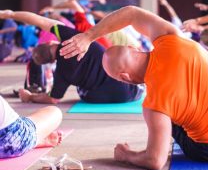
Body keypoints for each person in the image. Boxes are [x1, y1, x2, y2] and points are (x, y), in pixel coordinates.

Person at [59, 5, 208, 170]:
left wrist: (126, 155)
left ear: (124, 77)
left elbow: (155, 161)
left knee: (168, 118)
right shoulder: (172, 38)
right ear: (135, 49)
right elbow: (132, 13)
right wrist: (88, 36)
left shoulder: (153, 105)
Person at [0, 9, 143, 104]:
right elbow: (40, 20)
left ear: (49, 62)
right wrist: (10, 14)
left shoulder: (61, 74)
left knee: (83, 93)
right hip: (131, 89)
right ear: (50, 42)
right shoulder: (70, 37)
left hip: (104, 98)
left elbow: (53, 99)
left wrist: (29, 97)